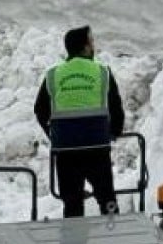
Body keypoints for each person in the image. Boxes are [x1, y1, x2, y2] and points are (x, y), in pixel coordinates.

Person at [34, 25, 126, 218]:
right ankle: (115, 240)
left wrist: (53, 135)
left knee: (72, 203)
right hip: (97, 147)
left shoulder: (53, 75)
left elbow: (40, 109)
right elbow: (116, 107)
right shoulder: (102, 72)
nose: (94, 47)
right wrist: (113, 132)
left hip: (66, 150)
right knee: (107, 199)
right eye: (92, 42)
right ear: (85, 47)